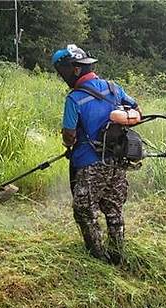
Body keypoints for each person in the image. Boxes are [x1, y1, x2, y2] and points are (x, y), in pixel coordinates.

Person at [52, 44, 140, 264]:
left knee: (83, 210)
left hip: (89, 163)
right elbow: (137, 109)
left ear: (74, 69)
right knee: (113, 207)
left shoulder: (74, 99)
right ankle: (118, 254)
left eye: (62, 70)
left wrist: (69, 143)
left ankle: (98, 257)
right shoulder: (113, 88)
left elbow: (69, 137)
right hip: (117, 160)